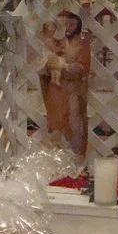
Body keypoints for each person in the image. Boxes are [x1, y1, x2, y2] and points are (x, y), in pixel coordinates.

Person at [39, 11, 91, 157]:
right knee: (56, 126)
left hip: (73, 91)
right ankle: (57, 160)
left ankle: (76, 159)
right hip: (57, 91)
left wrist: (65, 68)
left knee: (75, 126)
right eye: (67, 24)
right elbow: (46, 65)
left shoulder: (82, 46)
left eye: (72, 24)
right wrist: (51, 65)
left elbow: (83, 67)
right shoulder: (60, 43)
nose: (69, 27)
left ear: (78, 27)